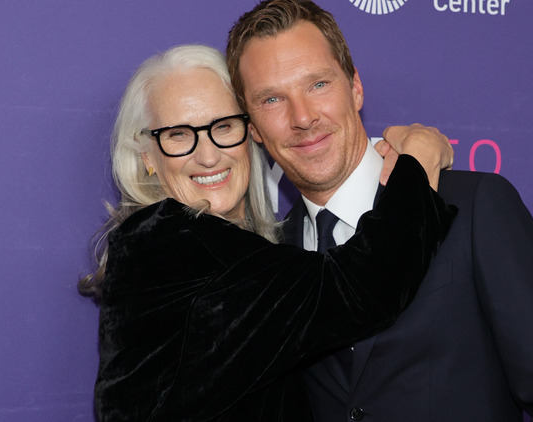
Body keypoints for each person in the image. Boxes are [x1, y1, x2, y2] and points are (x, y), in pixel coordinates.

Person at [226, 0, 533, 421]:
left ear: (355, 87)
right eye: (272, 100)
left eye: (318, 84)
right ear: (253, 127)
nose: (303, 117)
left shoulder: (473, 209)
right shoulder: (270, 258)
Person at [78, 44, 457, 421]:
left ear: (251, 133)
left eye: (223, 126)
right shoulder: (169, 246)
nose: (208, 156)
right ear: (147, 155)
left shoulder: (231, 251)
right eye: (178, 135)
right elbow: (363, 287)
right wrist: (418, 165)